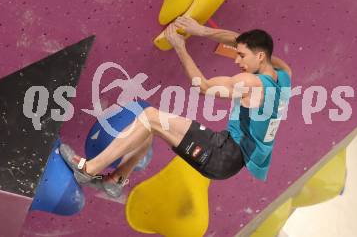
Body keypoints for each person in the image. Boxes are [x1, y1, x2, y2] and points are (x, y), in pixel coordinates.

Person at [60, 16, 292, 198]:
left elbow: (202, 86)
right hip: (228, 157)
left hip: (223, 154)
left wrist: (180, 46)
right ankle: (117, 180)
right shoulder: (284, 77)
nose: (236, 60)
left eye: (241, 56)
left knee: (150, 117)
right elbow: (244, 42)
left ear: (260, 56)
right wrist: (202, 31)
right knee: (151, 123)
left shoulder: (251, 83)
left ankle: (88, 170)